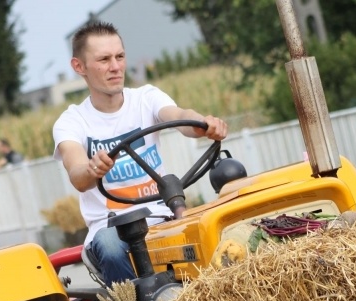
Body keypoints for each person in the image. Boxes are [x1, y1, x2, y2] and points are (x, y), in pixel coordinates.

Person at [52, 22, 228, 286]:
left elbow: (180, 116)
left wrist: (203, 124)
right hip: (112, 228)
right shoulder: (72, 121)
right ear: (79, 67)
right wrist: (91, 169)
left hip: (163, 215)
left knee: (213, 228)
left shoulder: (146, 98)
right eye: (103, 59)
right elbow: (77, 172)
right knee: (111, 248)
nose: (115, 66)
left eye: (119, 56)